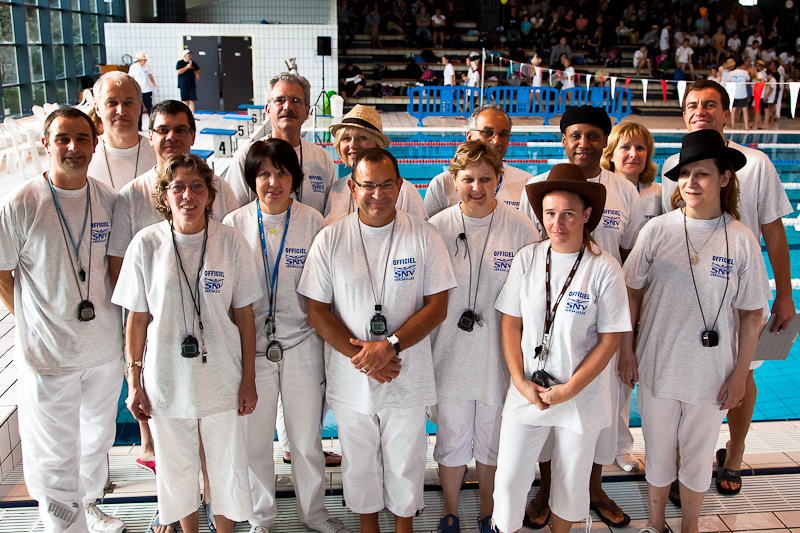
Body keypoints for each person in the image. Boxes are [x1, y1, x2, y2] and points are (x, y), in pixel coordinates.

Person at [298, 148, 456, 533]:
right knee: (359, 463)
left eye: (387, 185)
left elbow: (438, 307)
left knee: (406, 462)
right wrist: (365, 359)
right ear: (352, 188)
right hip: (351, 376)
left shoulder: (424, 235)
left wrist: (390, 346)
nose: (378, 194)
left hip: (407, 373)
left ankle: (404, 528)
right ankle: (369, 528)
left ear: (400, 186)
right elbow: (317, 310)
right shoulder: (331, 238)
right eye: (368, 185)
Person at [621, 129, 766, 533]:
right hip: (657, 364)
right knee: (658, 451)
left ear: (724, 178)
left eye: (702, 173)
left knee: (699, 456)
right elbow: (631, 292)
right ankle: (655, 524)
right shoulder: (657, 230)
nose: (690, 182)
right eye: (685, 174)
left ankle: (689, 527)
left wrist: (740, 374)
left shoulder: (741, 239)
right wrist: (627, 351)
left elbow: (752, 315)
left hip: (711, 373)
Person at [112, 154, 260, 533]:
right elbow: (136, 320)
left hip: (223, 378)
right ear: (165, 195)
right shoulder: (146, 244)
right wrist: (133, 381)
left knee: (226, 466)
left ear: (210, 194)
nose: (188, 195)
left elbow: (245, 317)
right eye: (178, 187)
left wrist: (249, 378)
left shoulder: (230, 242)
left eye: (197, 186)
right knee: (176, 470)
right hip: (167, 380)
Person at [661, 79, 794, 499]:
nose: (700, 111)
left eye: (710, 105)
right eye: (692, 105)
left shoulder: (756, 163)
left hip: (741, 291)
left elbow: (774, 232)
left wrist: (785, 294)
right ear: (684, 114)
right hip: (689, 294)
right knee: (686, 374)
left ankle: (734, 452)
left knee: (744, 371)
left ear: (726, 114)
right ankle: (684, 461)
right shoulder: (672, 165)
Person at [0, 107, 125, 533]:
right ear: (46, 144)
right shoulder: (22, 203)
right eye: (62, 139)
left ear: (95, 143)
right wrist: (34, 319)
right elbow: (1, 271)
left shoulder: (108, 201)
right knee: (54, 454)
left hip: (103, 350)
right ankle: (64, 527)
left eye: (82, 138)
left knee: (96, 439)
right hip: (49, 355)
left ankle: (89, 506)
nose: (73, 148)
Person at [518, 106, 643, 529]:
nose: (584, 143)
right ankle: (547, 488)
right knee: (546, 406)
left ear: (604, 141)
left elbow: (628, 260)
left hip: (603, 325)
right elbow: (531, 253)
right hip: (551, 324)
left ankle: (592, 487)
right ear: (564, 139)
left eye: (593, 135)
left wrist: (627, 337)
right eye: (575, 135)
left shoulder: (623, 190)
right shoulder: (539, 187)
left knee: (598, 413)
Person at [493, 163, 631, 533]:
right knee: (508, 481)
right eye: (550, 213)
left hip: (581, 394)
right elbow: (510, 322)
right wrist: (519, 381)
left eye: (568, 213)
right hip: (528, 389)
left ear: (587, 215)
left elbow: (610, 339)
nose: (557, 223)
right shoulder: (528, 258)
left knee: (571, 484)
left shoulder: (604, 268)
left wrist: (570, 388)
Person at [222, 139, 351, 533]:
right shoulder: (234, 225)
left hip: (302, 343)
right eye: (264, 174)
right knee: (255, 440)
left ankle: (314, 514)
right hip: (252, 348)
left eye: (281, 173)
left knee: (306, 440)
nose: (273, 182)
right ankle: (261, 517)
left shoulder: (312, 222)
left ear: (295, 178)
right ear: (252, 179)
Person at [429, 141, 539, 533]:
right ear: (454, 180)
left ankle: (488, 509)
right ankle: (451, 508)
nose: (477, 187)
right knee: (452, 436)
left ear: (499, 179)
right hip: (449, 352)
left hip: (499, 354)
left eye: (485, 179)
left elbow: (533, 297)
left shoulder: (520, 227)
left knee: (494, 437)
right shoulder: (437, 228)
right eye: (468, 179)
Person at [224, 73, 335, 213]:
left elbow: (331, 213)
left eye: (296, 100)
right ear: (268, 110)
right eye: (280, 100)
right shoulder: (247, 156)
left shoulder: (322, 158)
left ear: (307, 112)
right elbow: (232, 212)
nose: (288, 106)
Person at [424, 105, 534, 217]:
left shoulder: (526, 182)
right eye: (487, 132)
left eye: (503, 134)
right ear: (469, 137)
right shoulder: (442, 184)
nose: (496, 141)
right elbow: (428, 226)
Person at [325, 105, 426, 224]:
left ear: (377, 145)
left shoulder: (405, 192)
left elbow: (421, 231)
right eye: (346, 138)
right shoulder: (337, 188)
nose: (352, 145)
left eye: (362, 137)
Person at [88, 71, 158, 192]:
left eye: (128, 103)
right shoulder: (84, 156)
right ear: (98, 109)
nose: (121, 111)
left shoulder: (159, 154)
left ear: (139, 106)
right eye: (112, 103)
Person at [601, 122, 661, 223]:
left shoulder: (658, 193)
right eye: (625, 147)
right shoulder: (600, 191)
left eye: (640, 148)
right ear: (610, 155)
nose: (634, 154)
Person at [127, 51, 159, 129]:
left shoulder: (147, 66)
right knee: (139, 109)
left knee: (149, 108)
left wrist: (155, 86)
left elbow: (151, 77)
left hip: (147, 90)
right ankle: (139, 127)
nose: (145, 61)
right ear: (139, 60)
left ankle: (152, 125)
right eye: (144, 59)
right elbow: (131, 79)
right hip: (138, 91)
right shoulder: (133, 67)